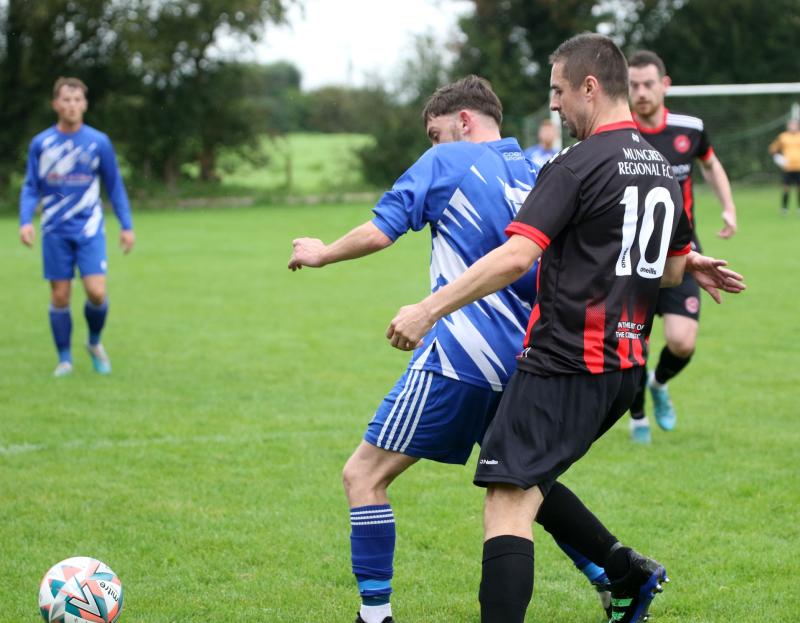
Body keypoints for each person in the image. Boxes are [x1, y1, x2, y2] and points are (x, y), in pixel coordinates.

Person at [387, 34, 745, 623]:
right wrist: (682, 262)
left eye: (557, 90)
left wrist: (430, 308)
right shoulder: (661, 166)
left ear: (589, 86)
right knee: (528, 486)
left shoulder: (573, 165)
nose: (553, 105)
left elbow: (514, 258)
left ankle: (619, 576)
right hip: (623, 371)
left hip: (563, 362)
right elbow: (673, 269)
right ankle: (626, 575)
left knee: (507, 507)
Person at [288, 75, 616, 623]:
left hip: (459, 356)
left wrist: (322, 252)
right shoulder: (539, 169)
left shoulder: (450, 161)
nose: (431, 148)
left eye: (435, 135)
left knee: (363, 476)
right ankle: (613, 574)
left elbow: (380, 231)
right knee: (523, 485)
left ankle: (375, 617)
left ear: (463, 122)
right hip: (527, 361)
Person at [626, 50, 738, 443]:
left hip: (683, 253)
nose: (640, 92)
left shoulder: (690, 128)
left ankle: (658, 385)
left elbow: (711, 163)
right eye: (633, 85)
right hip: (632, 256)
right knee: (632, 344)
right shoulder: (621, 134)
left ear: (665, 85)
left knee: (682, 341)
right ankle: (637, 416)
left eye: (647, 84)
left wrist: (728, 207)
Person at [19, 77, 134, 377]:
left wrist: (126, 225)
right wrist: (25, 221)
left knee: (96, 292)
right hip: (54, 229)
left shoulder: (98, 142)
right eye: (66, 100)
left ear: (85, 104)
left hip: (89, 228)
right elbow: (31, 186)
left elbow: (115, 186)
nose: (72, 105)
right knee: (60, 296)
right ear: (56, 104)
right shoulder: (41, 144)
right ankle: (65, 359)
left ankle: (94, 343)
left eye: (77, 100)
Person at [768, 118, 800, 215]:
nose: (793, 127)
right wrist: (778, 158)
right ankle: (784, 209)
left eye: (795, 125)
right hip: (788, 167)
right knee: (786, 188)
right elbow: (772, 149)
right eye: (791, 125)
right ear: (788, 126)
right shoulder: (783, 137)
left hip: (799, 167)